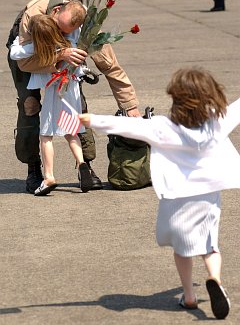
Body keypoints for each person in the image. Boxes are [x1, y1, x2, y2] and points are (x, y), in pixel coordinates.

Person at [78, 67, 240, 320]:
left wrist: (92, 119)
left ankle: (188, 295)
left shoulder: (164, 127)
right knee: (209, 245)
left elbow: (128, 126)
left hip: (175, 198)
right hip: (207, 196)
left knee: (182, 248)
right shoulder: (216, 123)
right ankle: (215, 278)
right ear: (211, 96)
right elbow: (236, 109)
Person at [6, 0, 140, 194]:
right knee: (30, 104)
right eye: (58, 29)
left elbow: (110, 66)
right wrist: (59, 55)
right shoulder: (33, 17)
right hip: (29, 52)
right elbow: (23, 62)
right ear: (55, 12)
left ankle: (85, 165)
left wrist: (130, 106)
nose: (60, 35)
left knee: (76, 108)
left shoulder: (86, 24)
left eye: (66, 33)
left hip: (61, 63)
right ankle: (33, 168)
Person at [10, 14, 93, 196]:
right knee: (71, 132)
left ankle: (49, 177)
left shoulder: (38, 47)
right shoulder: (69, 41)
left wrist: (19, 39)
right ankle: (82, 165)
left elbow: (15, 53)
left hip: (54, 91)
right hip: (72, 91)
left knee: (46, 136)